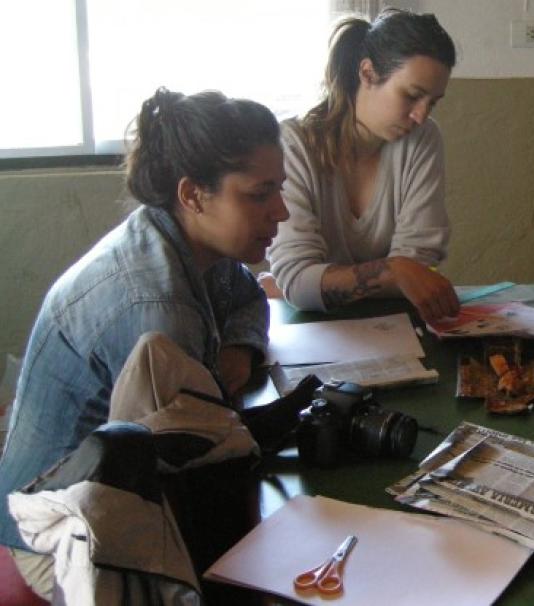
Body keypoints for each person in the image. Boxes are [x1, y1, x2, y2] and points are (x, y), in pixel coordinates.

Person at [0, 87, 288, 598]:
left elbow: (247, 298)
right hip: (54, 534)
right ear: (193, 194)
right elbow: (191, 486)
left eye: (280, 190)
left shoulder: (187, 239)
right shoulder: (156, 309)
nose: (281, 212)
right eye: (259, 194)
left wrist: (238, 350)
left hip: (124, 487)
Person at [267, 9, 460, 323]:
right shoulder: (293, 144)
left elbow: (418, 269)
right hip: (314, 332)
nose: (421, 115)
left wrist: (316, 284)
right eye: (412, 96)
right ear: (367, 73)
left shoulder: (422, 140)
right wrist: (395, 270)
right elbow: (299, 284)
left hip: (395, 329)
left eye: (433, 102)